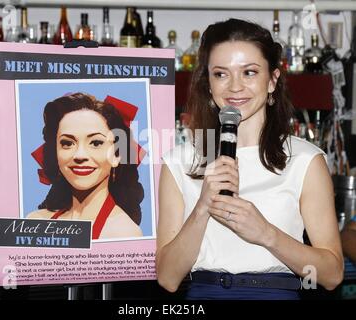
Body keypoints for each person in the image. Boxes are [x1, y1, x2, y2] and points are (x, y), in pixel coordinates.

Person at [156, 19, 344, 299]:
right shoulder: (178, 162)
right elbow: (168, 278)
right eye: (221, 74)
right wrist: (203, 206)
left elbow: (331, 275)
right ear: (208, 84)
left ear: (272, 80)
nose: (234, 87)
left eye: (249, 72)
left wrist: (266, 233)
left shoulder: (305, 160)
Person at [28, 93, 145, 240]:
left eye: (96, 143)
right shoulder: (36, 222)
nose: (79, 155)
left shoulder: (125, 233)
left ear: (116, 155)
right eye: (67, 143)